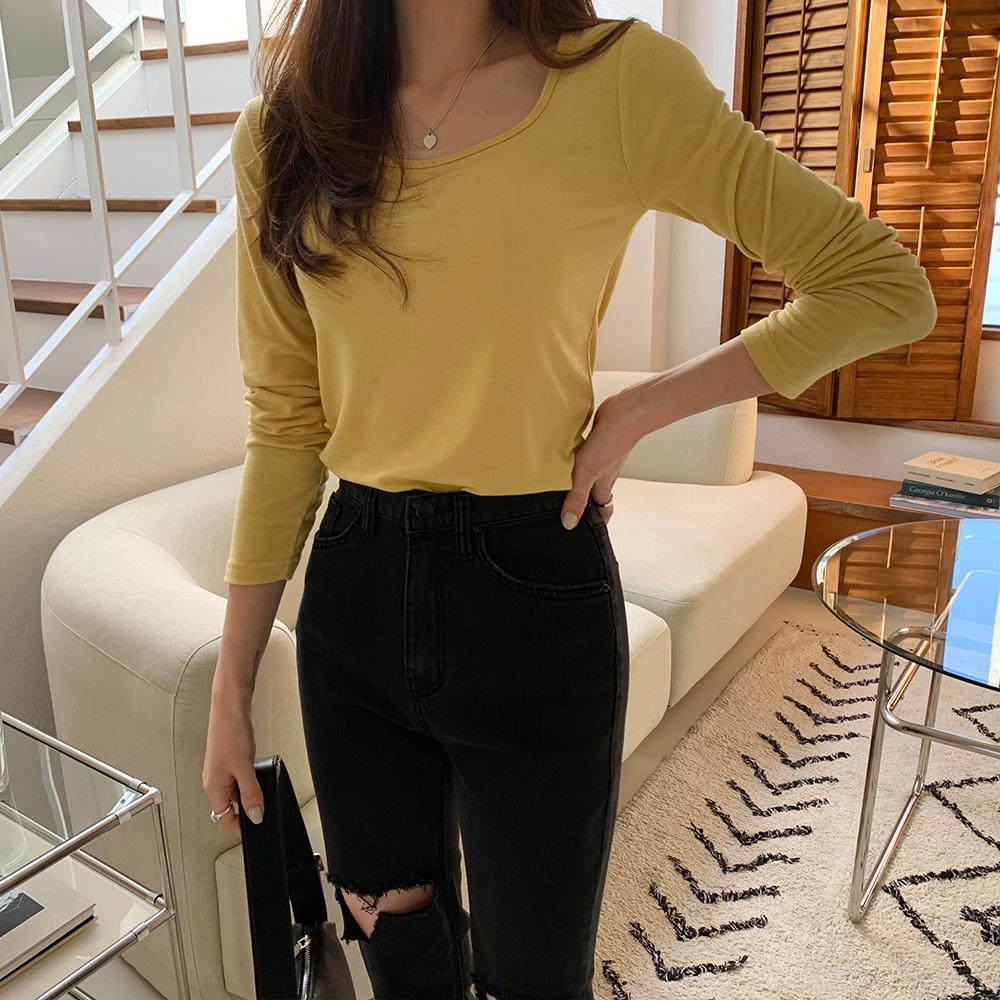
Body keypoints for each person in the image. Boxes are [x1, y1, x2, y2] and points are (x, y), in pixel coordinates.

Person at [202, 2, 938, 998]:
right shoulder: (283, 132)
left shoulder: (620, 83)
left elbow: (879, 286)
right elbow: (287, 421)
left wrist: (641, 408)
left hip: (535, 597)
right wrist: (230, 692)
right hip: (354, 597)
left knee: (535, 980)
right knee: (395, 949)